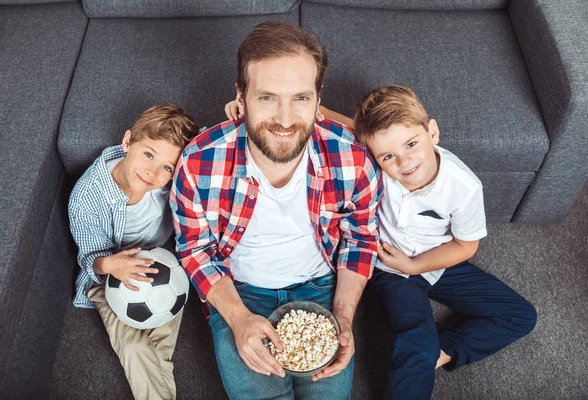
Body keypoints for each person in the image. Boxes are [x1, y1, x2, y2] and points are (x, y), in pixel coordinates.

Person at [171, 21, 382, 400]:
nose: (285, 119)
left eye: (300, 98)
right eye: (267, 97)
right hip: (239, 292)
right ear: (241, 95)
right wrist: (237, 319)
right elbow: (195, 251)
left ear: (319, 100)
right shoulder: (199, 162)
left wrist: (345, 318)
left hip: (322, 289)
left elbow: (360, 240)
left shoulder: (353, 159)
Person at [349, 85, 537, 399]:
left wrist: (416, 264)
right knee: (415, 339)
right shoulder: (376, 158)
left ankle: (438, 353)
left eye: (411, 144)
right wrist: (310, 111)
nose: (404, 161)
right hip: (390, 266)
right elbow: (346, 127)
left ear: (432, 132)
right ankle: (420, 354)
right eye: (388, 156)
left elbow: (465, 246)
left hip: (437, 260)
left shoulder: (464, 186)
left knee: (521, 316)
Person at [69, 105, 199, 400]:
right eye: (148, 154)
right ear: (128, 143)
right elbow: (90, 260)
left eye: (167, 167)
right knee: (135, 348)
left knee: (161, 342)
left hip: (164, 264)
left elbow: (211, 150)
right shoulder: (87, 199)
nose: (153, 171)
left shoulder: (171, 180)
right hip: (108, 277)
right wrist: (112, 265)